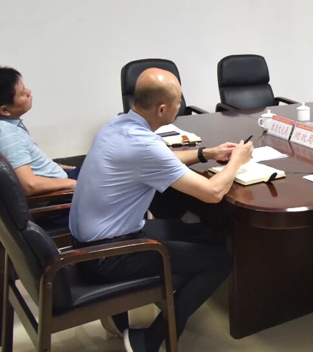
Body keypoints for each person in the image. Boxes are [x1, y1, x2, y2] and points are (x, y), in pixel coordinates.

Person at [69, 68, 252, 352]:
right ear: (162, 109)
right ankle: (148, 340)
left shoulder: (117, 125)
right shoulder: (144, 145)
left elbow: (160, 158)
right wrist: (237, 161)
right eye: (178, 102)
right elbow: (213, 192)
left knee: (200, 230)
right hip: (107, 255)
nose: (181, 106)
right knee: (220, 261)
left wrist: (207, 153)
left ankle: (120, 315)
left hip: (93, 240)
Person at [0, 66, 77, 197]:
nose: (29, 92)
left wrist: (55, 167)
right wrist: (74, 184)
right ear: (5, 110)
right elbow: (29, 185)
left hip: (59, 178)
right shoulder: (5, 133)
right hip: (60, 191)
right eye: (22, 93)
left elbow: (25, 164)